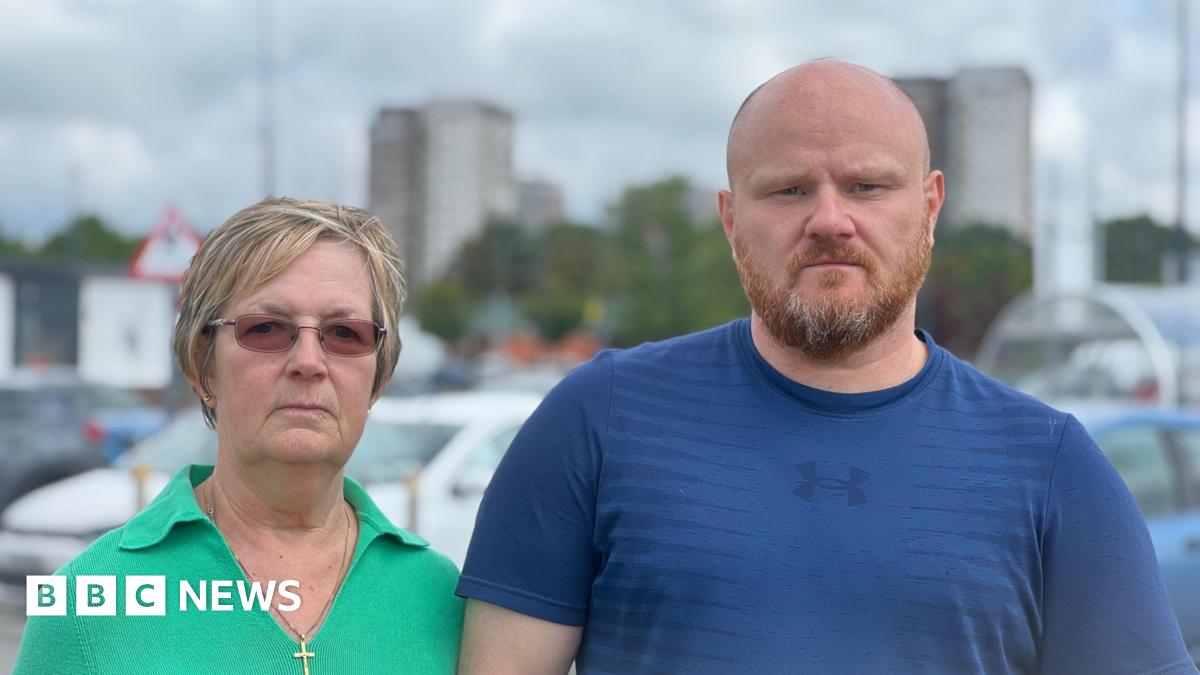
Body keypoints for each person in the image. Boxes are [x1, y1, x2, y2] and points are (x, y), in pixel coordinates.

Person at [455, 61, 1196, 674]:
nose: (830, 219)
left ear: (931, 206)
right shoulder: (599, 420)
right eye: (788, 189)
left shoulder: (1052, 466)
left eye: (868, 185)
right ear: (730, 216)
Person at [15, 198, 463, 673]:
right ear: (202, 366)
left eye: (344, 333)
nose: (309, 362)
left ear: (379, 375)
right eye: (266, 328)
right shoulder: (89, 606)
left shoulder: (436, 595)